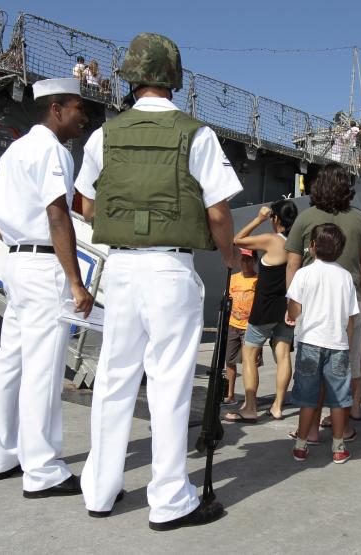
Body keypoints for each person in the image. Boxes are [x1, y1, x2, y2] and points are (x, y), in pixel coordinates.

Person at [73, 32, 242, 530]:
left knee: (113, 380)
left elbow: (83, 205)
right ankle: (169, 500)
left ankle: (100, 491)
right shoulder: (198, 134)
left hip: (120, 269)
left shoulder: (105, 134)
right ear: (174, 78)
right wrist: (231, 257)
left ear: (131, 76)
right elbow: (217, 212)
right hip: (171, 270)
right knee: (169, 384)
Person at [0, 77, 93, 499]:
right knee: (44, 369)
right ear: (57, 108)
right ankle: (44, 470)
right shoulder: (53, 151)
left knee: (11, 361)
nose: (85, 116)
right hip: (45, 264)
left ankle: (0, 455)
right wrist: (75, 281)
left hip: (18, 263)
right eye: (80, 108)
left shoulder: (16, 150)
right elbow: (58, 214)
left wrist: (15, 241)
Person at [285, 163, 361, 442]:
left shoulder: (305, 217)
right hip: (350, 303)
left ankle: (309, 431)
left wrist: (294, 303)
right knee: (346, 368)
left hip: (311, 305)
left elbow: (292, 264)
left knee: (312, 372)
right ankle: (344, 428)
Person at [286, 223, 359, 464]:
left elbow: (294, 309)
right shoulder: (346, 277)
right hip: (337, 344)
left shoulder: (304, 273)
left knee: (308, 396)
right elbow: (350, 318)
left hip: (309, 342)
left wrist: (292, 313)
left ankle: (301, 444)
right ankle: (338, 447)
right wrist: (346, 344)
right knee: (339, 398)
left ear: (313, 247)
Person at [226, 199, 298, 422]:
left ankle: (250, 407)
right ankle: (277, 406)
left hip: (264, 309)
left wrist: (259, 218)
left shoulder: (271, 240)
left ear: (275, 218)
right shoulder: (296, 243)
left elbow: (238, 239)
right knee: (283, 355)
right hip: (286, 309)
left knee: (249, 355)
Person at [222, 248, 263, 407]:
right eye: (243, 259)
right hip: (232, 324)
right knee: (229, 360)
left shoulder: (258, 280)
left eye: (248, 259)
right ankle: (230, 394)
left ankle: (250, 398)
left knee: (251, 362)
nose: (245, 262)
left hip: (250, 327)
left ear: (254, 261)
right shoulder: (232, 278)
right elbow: (226, 299)